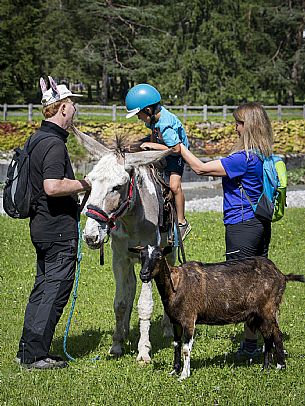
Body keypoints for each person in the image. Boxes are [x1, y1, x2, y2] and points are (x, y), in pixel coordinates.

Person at [172, 102, 273, 357]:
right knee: (256, 285)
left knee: (242, 287)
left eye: (238, 123)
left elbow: (201, 168)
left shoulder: (244, 158)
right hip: (259, 223)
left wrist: (181, 147)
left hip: (242, 225)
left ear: (248, 126)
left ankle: (253, 346)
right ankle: (256, 343)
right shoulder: (262, 154)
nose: (235, 127)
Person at [16, 76, 91, 369]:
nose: (74, 109)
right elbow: (51, 186)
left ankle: (27, 350)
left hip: (41, 227)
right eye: (71, 104)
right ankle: (36, 356)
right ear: (61, 109)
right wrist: (85, 183)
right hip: (58, 231)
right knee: (55, 292)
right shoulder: (55, 145)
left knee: (41, 290)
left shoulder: (36, 139)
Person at [125, 83, 191, 240]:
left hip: (177, 155)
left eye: (138, 114)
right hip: (166, 149)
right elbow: (155, 135)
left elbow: (175, 149)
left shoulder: (166, 125)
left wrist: (151, 145)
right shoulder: (153, 119)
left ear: (148, 110)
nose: (138, 118)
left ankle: (182, 223)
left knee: (174, 186)